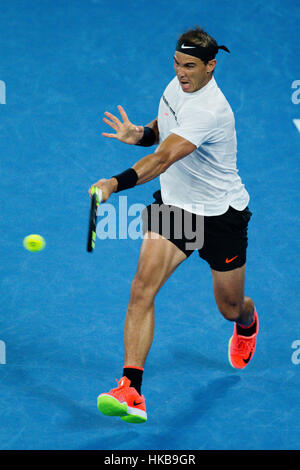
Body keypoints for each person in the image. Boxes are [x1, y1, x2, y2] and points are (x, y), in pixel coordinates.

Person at [90, 27, 259, 424]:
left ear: (211, 66)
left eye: (190, 66)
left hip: (221, 216)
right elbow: (166, 126)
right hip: (176, 209)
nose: (181, 73)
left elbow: (164, 158)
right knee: (141, 288)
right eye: (177, 64)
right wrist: (144, 133)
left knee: (229, 307)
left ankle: (248, 321)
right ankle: (131, 388)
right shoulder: (180, 85)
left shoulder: (210, 110)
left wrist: (115, 182)